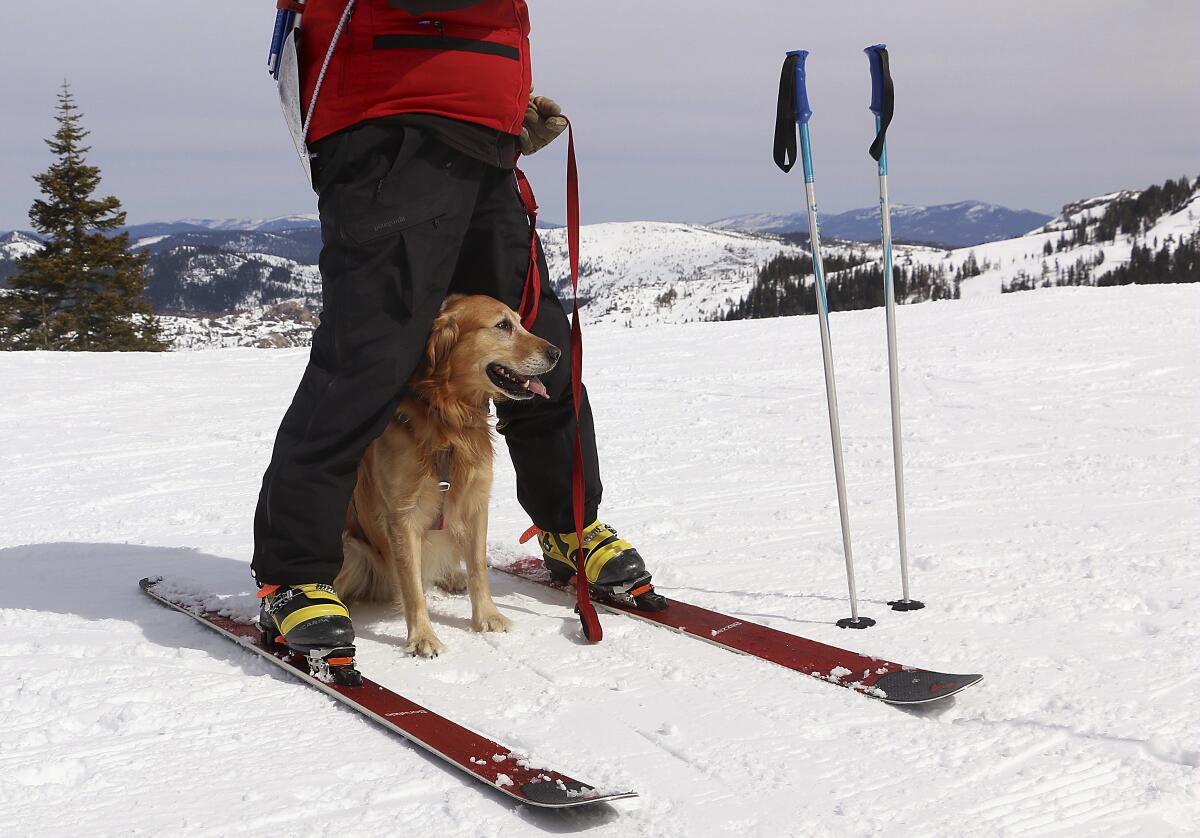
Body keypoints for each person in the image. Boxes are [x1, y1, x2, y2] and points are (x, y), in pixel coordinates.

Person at [253, 0, 665, 655]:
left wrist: (499, 108)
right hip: (391, 126)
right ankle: (296, 573)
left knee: (531, 348)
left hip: (486, 140)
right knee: (370, 358)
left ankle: (568, 527)